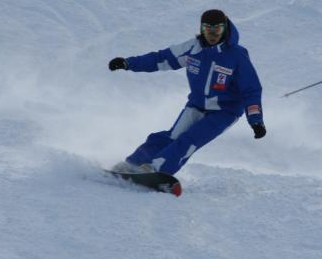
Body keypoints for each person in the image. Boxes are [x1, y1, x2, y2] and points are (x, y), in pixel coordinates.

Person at [108, 9, 266, 175]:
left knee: (190, 139)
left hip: (225, 111)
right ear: (201, 29)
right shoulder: (193, 48)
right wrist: (128, 63)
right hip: (196, 105)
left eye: (217, 29)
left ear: (224, 29)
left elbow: (251, 89)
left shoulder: (236, 55)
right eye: (207, 29)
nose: (212, 35)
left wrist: (256, 121)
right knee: (171, 137)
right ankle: (133, 164)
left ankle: (156, 170)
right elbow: (161, 59)